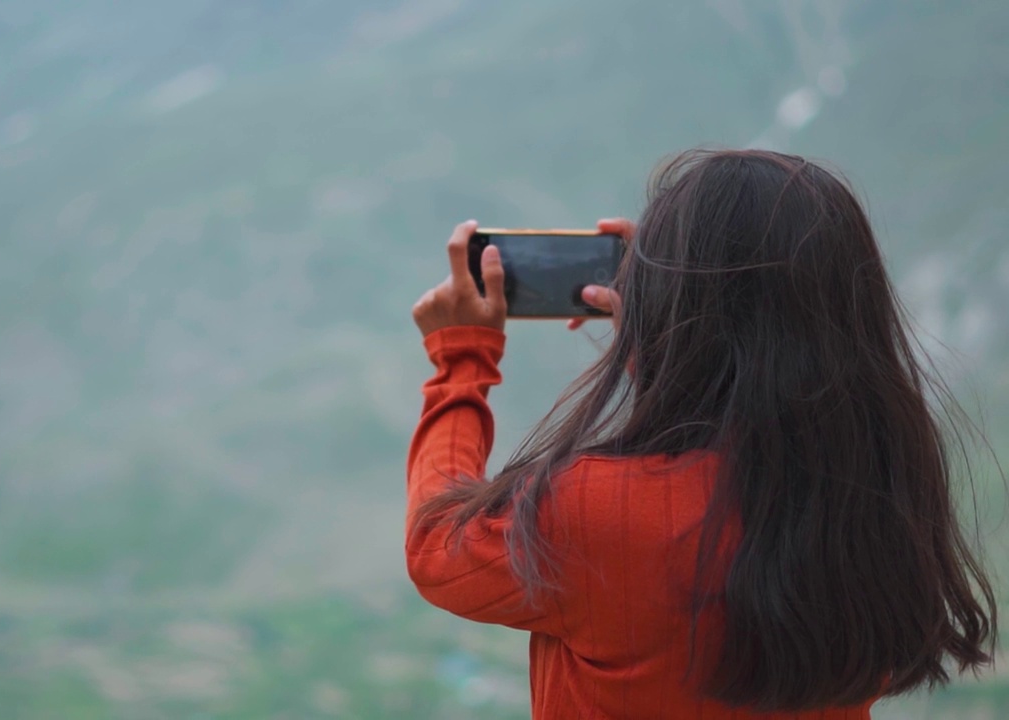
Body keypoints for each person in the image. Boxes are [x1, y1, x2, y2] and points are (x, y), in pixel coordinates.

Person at [404, 149, 998, 719]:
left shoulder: (595, 512)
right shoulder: (880, 488)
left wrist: (462, 359)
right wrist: (667, 315)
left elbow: (435, 545)